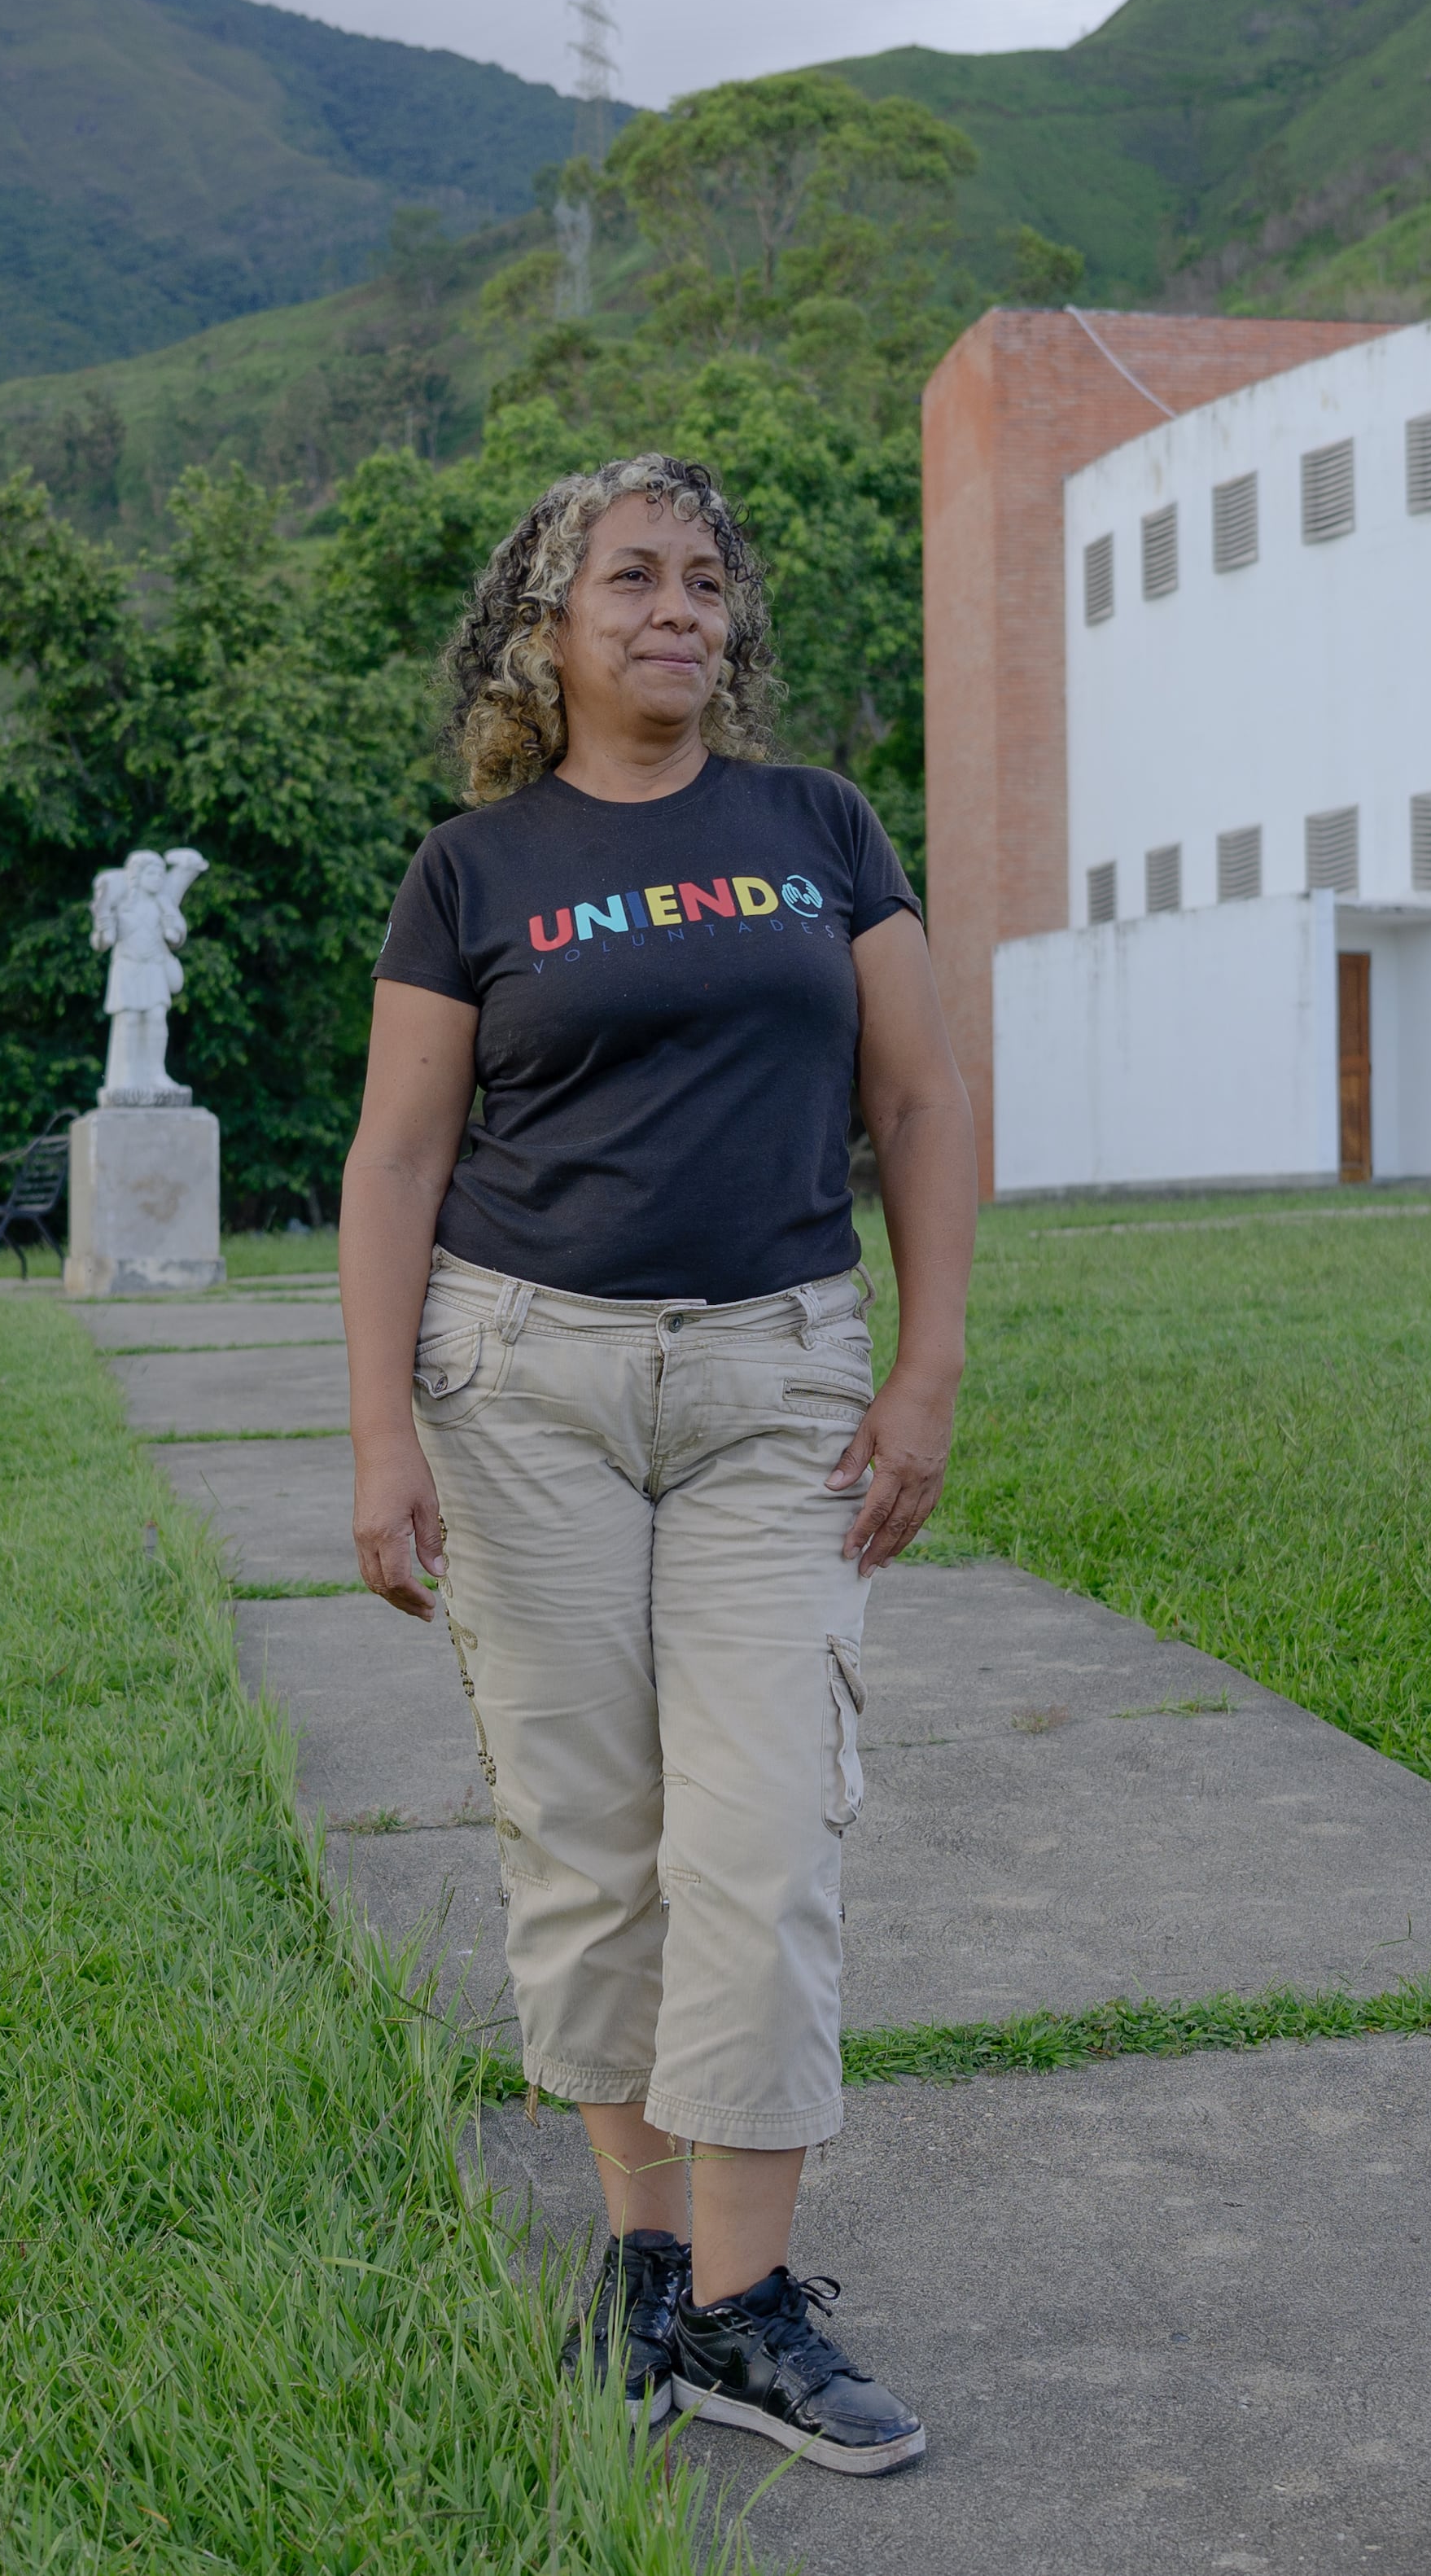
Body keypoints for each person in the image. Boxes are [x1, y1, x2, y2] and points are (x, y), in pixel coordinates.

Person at [338, 452, 976, 2474]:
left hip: (777, 1382)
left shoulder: (820, 829)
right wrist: (375, 1429)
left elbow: (919, 1093)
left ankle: (743, 2300)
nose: (676, 607)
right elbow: (397, 1159)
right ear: (552, 625)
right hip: (521, 1382)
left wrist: (931, 1362)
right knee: (591, 1836)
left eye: (706, 578)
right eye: (631, 576)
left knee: (764, 1836)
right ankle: (642, 2251)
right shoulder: (473, 868)